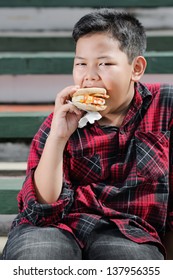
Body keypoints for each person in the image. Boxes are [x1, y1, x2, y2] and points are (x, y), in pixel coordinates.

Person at [2, 8, 173, 260]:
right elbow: (43, 205)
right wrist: (59, 136)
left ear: (136, 68)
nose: (89, 76)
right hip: (53, 226)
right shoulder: (61, 118)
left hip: (129, 232)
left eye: (104, 63)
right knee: (39, 255)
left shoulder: (164, 105)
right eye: (81, 64)